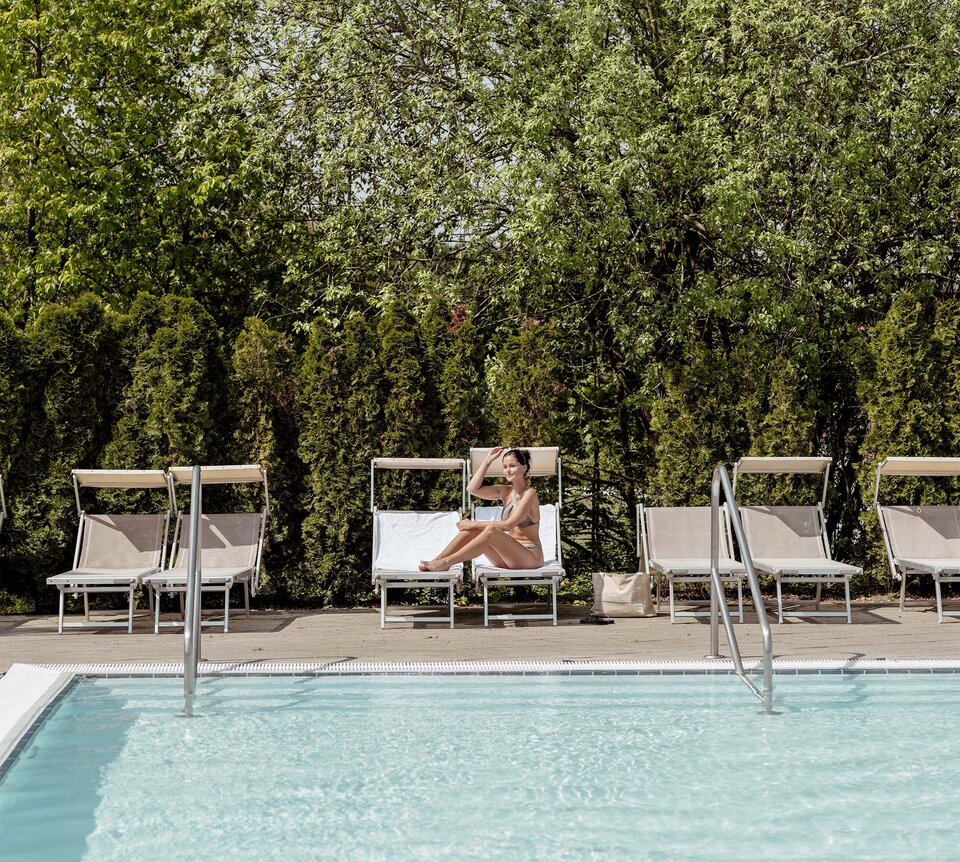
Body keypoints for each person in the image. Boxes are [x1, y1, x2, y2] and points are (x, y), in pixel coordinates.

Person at [419, 446, 544, 572]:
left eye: (512, 466)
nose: (507, 470)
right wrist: (487, 461)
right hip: (508, 557)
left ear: (524, 467)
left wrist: (472, 523)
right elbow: (472, 489)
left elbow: (508, 525)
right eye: (505, 467)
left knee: (489, 529)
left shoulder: (530, 494)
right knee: (474, 530)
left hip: (530, 556)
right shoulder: (505, 491)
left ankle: (447, 562)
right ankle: (438, 559)